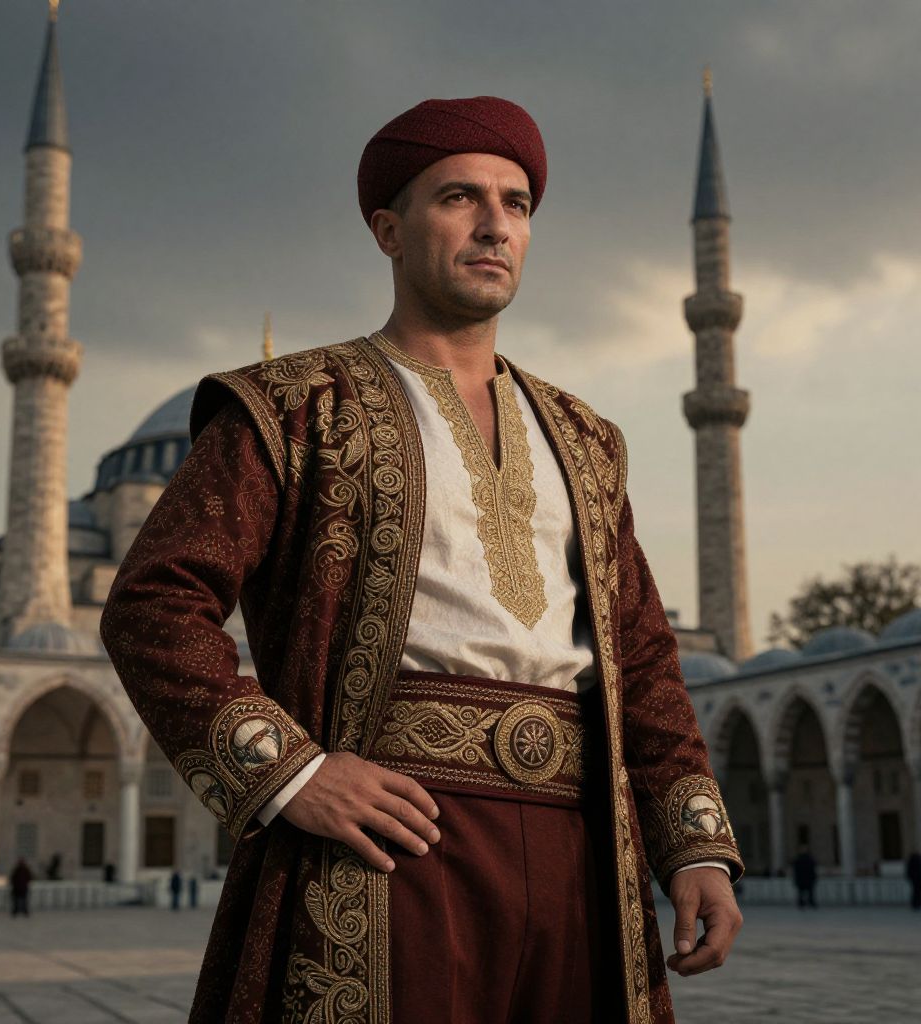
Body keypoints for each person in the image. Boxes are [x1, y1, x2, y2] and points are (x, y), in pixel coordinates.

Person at [101, 95, 744, 1024]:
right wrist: (291, 770)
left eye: (517, 203)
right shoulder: (295, 410)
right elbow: (154, 603)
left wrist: (692, 846)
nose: (495, 226)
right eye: (459, 198)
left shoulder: (586, 440)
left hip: (581, 849)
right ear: (389, 230)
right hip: (388, 842)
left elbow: (642, 657)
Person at [793, 843, 818, 908]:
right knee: (802, 893)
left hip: (807, 879)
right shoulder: (799, 859)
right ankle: (803, 903)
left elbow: (812, 869)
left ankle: (808, 902)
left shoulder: (808, 859)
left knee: (809, 893)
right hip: (803, 879)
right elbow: (796, 870)